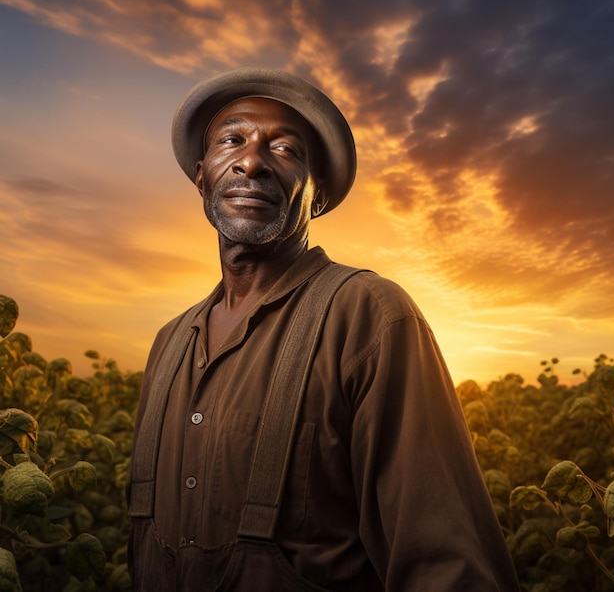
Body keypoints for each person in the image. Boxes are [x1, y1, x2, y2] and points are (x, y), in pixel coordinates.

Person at [127, 67, 520, 591]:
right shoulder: (169, 342)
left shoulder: (369, 314)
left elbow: (444, 565)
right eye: (232, 140)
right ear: (202, 176)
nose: (251, 162)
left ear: (318, 196)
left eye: (286, 150)